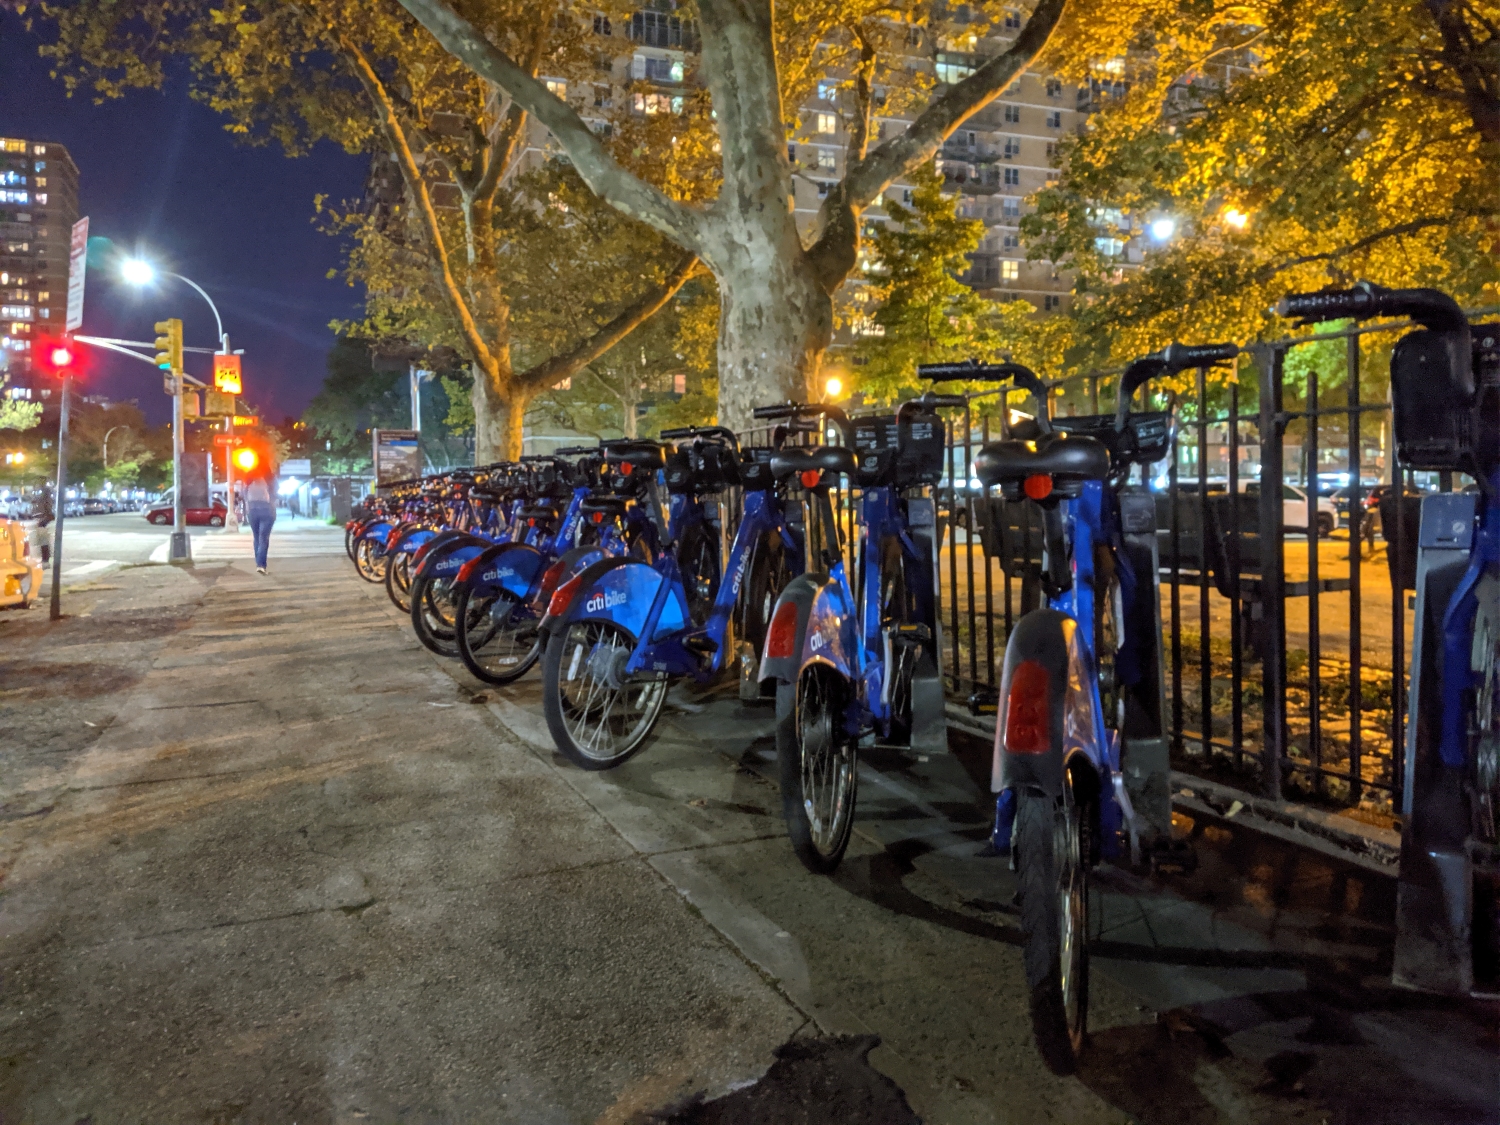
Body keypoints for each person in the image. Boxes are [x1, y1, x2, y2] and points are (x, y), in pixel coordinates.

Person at [244, 461, 278, 575]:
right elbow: (275, 493)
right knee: (264, 537)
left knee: (257, 537)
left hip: (252, 510)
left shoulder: (248, 477)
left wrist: (248, 508)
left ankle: (258, 564)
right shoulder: (270, 478)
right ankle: (261, 565)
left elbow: (243, 494)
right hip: (267, 510)